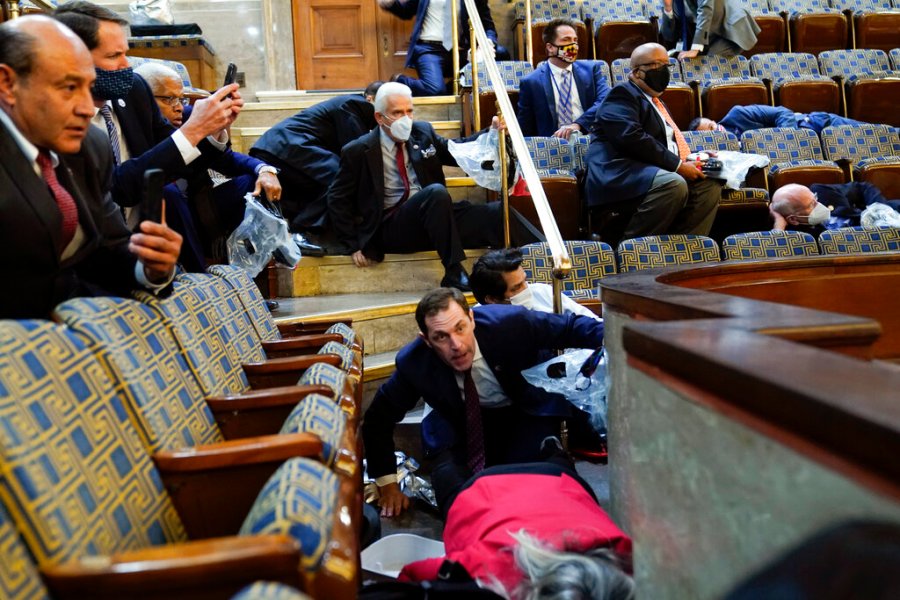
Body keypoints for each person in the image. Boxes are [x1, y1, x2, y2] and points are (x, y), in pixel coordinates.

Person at [362, 287, 604, 517]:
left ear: (472, 319)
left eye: (460, 328)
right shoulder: (414, 363)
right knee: (456, 494)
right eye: (441, 337)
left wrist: (628, 339)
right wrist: (388, 484)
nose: (456, 345)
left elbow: (570, 327)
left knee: (551, 481)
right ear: (426, 340)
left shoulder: (510, 323)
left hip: (520, 413)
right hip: (458, 425)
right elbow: (377, 419)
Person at [0, 16, 181, 319]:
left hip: (77, 340)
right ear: (7, 84)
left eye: (88, 88)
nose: (86, 108)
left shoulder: (90, 147)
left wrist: (150, 266)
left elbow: (109, 250)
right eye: (69, 87)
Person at [327, 82, 541, 291]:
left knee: (497, 212)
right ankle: (453, 269)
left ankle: (544, 257)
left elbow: (457, 151)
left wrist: (491, 132)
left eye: (409, 111)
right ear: (379, 117)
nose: (406, 119)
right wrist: (352, 244)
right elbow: (338, 198)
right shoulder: (357, 150)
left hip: (436, 218)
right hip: (393, 226)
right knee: (436, 193)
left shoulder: (422, 132)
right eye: (397, 113)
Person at [53, 1, 242, 227]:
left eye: (126, 53)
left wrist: (213, 128)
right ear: (74, 59)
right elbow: (116, 189)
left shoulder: (135, 89)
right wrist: (194, 129)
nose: (127, 65)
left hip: (146, 232)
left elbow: (176, 157)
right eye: (114, 56)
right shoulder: (59, 117)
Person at [399, 453, 634, 599]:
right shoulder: (490, 571)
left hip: (560, 484)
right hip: (483, 492)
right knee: (447, 477)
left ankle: (554, 451)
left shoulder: (632, 559)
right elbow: (411, 577)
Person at [135, 61, 281, 270]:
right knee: (168, 192)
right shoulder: (133, 124)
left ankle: (246, 276)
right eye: (169, 99)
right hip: (161, 208)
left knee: (255, 184)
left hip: (199, 204)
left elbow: (226, 161)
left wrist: (264, 169)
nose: (178, 106)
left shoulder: (187, 115)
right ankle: (200, 275)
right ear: (144, 99)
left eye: (181, 98)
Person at [585, 43, 721, 239]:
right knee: (674, 183)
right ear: (638, 72)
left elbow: (666, 145)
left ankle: (686, 251)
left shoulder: (657, 102)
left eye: (667, 65)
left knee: (709, 182)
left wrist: (694, 159)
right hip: (620, 173)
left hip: (652, 170)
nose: (664, 71)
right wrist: (678, 165)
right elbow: (631, 137)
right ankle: (634, 250)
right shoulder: (621, 95)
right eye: (658, 65)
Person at [249, 82, 381, 233]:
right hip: (288, 145)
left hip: (282, 147)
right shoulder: (355, 104)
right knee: (343, 178)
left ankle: (302, 228)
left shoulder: (353, 107)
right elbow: (356, 154)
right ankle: (302, 230)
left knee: (326, 183)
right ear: (370, 99)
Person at [377, 0, 509, 97]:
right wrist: (391, 4)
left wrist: (487, 43)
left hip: (460, 50)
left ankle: (457, 87)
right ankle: (399, 81)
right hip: (429, 49)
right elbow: (407, 11)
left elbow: (488, 26)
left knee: (502, 54)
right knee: (435, 90)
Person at [517, 18, 610, 139]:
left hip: (590, 138)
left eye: (575, 41)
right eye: (566, 40)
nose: (573, 46)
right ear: (550, 47)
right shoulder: (531, 82)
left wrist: (578, 124)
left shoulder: (592, 70)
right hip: (553, 145)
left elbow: (605, 100)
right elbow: (525, 127)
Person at [469, 247, 600, 321]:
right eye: (517, 288)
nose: (527, 289)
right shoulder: (479, 322)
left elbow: (593, 321)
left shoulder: (543, 292)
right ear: (492, 299)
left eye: (525, 281)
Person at [769, 182, 900, 231]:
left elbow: (863, 187)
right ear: (793, 219)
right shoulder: (801, 235)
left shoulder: (822, 191)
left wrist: (883, 211)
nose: (819, 204)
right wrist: (779, 223)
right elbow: (776, 251)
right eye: (811, 205)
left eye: (815, 198)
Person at [660, 0, 760, 59]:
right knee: (693, 62)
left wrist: (695, 49)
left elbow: (705, 10)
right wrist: (668, 9)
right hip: (707, 34)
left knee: (708, 62)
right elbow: (669, 36)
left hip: (730, 28)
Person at [689, 105, 869, 137]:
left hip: (816, 124)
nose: (716, 132)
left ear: (714, 120)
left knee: (888, 135)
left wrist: (787, 138)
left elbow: (783, 113)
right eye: (711, 134)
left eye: (712, 126)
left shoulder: (738, 114)